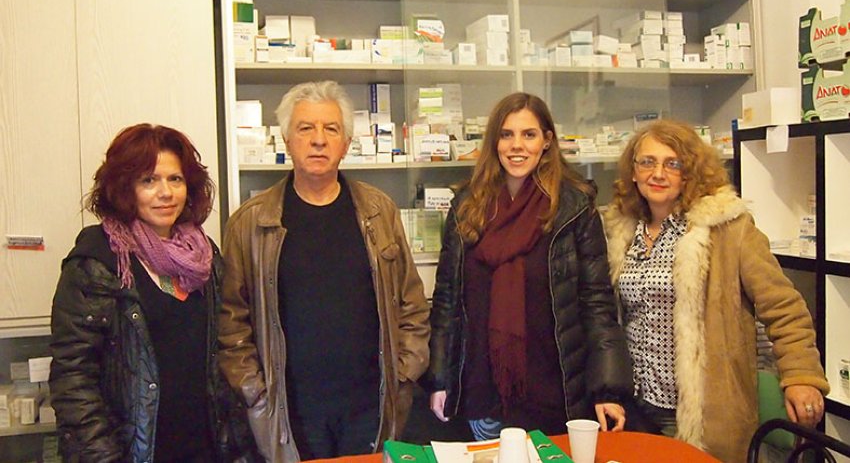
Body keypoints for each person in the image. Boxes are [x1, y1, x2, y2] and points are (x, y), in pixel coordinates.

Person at [218, 80, 430, 462]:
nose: (318, 140)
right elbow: (232, 322)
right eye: (305, 128)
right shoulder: (251, 223)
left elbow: (412, 304)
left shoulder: (379, 212)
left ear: (346, 143)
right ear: (286, 140)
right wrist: (256, 391)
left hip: (371, 405)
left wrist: (403, 375)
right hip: (290, 410)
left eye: (331, 129)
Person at [603, 119, 830, 462]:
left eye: (673, 163)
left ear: (690, 172)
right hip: (636, 408)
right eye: (647, 162)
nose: (658, 173)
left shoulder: (728, 229)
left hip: (704, 411)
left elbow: (784, 307)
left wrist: (802, 376)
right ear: (633, 172)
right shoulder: (620, 232)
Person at [423, 92, 633, 440]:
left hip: (554, 392)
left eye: (529, 134)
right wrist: (440, 378)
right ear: (494, 142)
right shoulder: (467, 206)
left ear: (547, 141)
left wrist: (607, 389)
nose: (516, 146)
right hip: (483, 391)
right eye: (506, 134)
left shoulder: (573, 208)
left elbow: (596, 304)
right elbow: (447, 300)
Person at [49, 124, 258, 463]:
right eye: (149, 180)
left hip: (207, 447)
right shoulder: (97, 261)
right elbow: (73, 380)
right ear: (124, 187)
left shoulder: (204, 255)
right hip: (136, 452)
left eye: (175, 179)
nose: (166, 193)